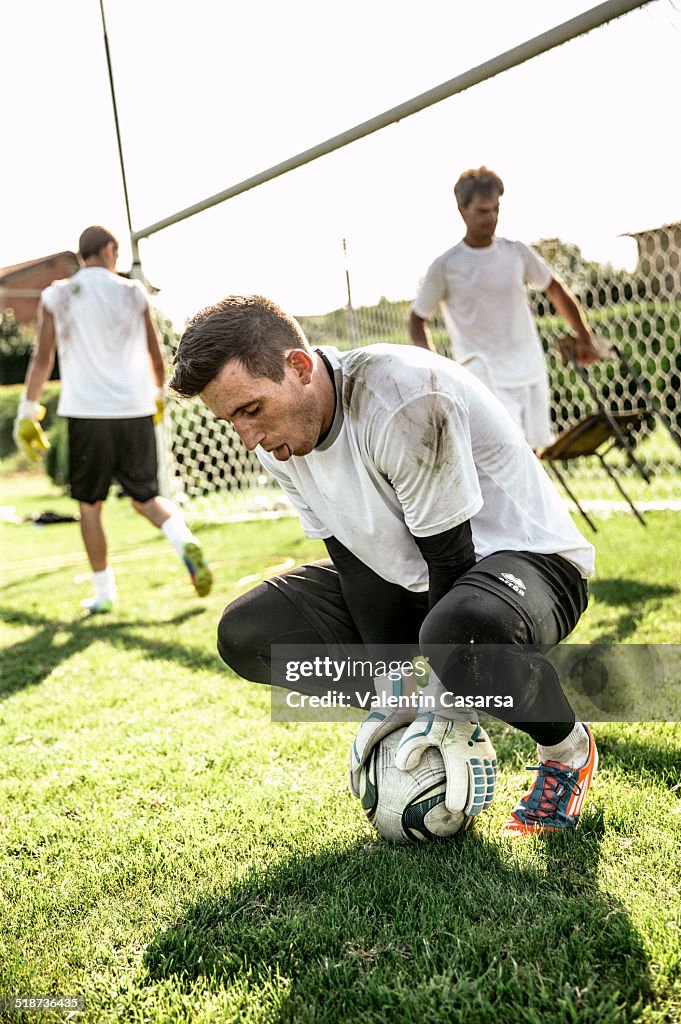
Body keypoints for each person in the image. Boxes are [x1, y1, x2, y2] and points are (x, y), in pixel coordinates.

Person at [170, 294, 598, 837]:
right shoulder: (277, 440)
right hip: (416, 578)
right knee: (248, 632)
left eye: (251, 410)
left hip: (526, 565)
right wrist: (390, 688)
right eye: (230, 418)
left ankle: (567, 748)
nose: (247, 437)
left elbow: (451, 557)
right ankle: (427, 697)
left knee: (456, 634)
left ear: (298, 367)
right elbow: (354, 560)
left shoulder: (402, 396)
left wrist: (448, 704)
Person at [13, 225, 212, 612]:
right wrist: (158, 398)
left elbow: (42, 358)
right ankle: (183, 538)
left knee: (90, 506)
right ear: (108, 251)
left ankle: (104, 594)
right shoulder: (132, 291)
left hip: (87, 414)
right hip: (135, 410)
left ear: (80, 255)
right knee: (148, 498)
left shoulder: (57, 294)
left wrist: (27, 411)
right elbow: (157, 356)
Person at [408, 166, 598, 449]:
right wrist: (437, 370)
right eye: (483, 211)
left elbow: (555, 289)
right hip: (485, 380)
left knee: (535, 457)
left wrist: (585, 336)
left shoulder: (515, 252)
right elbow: (416, 319)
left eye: (496, 209)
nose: (492, 217)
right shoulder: (447, 266)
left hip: (530, 370)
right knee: (506, 457)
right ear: (462, 210)